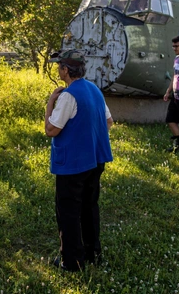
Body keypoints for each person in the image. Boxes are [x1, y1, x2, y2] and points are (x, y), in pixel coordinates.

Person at [45, 49, 114, 272]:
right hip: (95, 160)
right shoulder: (94, 89)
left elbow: (51, 130)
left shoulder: (68, 96)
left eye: (59, 66)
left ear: (66, 70)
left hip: (73, 164)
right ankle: (92, 252)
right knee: (89, 206)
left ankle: (72, 262)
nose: (58, 69)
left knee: (68, 211)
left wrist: (50, 103)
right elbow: (109, 122)